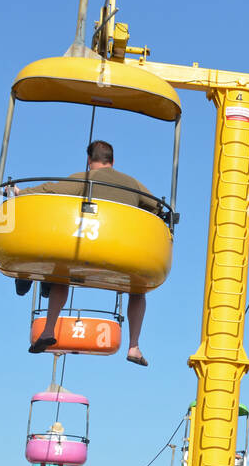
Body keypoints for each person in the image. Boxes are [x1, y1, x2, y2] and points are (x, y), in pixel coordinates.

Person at [15, 140, 157, 366]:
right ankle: (134, 347)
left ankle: (48, 330)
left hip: (91, 244)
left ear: (90, 160)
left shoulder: (85, 177)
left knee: (60, 275)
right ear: (112, 161)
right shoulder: (133, 184)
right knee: (138, 290)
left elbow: (52, 189)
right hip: (124, 252)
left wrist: (22, 192)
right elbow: (155, 206)